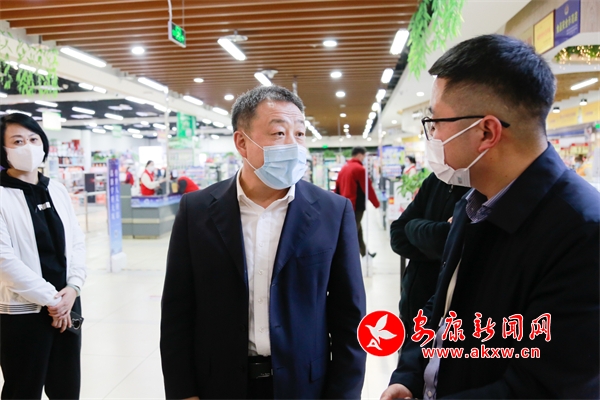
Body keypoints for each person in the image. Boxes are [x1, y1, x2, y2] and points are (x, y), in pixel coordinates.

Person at [381, 34, 599, 399]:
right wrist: (409, 375)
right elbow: (442, 307)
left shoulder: (582, 232)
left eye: (436, 121)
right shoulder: (473, 203)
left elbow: (546, 387)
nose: (431, 134)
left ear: (486, 132)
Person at [160, 85, 366, 399]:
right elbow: (177, 311)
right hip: (219, 384)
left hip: (305, 385)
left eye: (300, 134)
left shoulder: (332, 212)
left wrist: (344, 395)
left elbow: (350, 317)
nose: (294, 144)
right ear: (242, 142)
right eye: (279, 133)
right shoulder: (196, 211)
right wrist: (183, 392)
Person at [0, 113, 87, 399]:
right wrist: (53, 300)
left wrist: (73, 288)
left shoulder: (57, 189)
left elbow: (76, 242)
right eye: (17, 141)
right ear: (3, 150)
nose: (28, 146)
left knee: (67, 387)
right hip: (24, 312)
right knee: (22, 388)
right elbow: (4, 260)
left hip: (68, 304)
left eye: (33, 139)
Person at [390, 173, 469, 335]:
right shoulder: (436, 180)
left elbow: (457, 242)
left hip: (447, 320)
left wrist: (414, 228)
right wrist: (434, 245)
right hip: (410, 310)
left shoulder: (479, 190)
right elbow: (397, 235)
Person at [335, 146, 380, 258]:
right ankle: (344, 257)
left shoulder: (344, 168)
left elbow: (337, 188)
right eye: (364, 156)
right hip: (356, 206)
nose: (364, 158)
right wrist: (376, 203)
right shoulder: (360, 169)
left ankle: (365, 254)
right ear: (360, 155)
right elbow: (368, 188)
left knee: (357, 230)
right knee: (352, 232)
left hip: (345, 205)